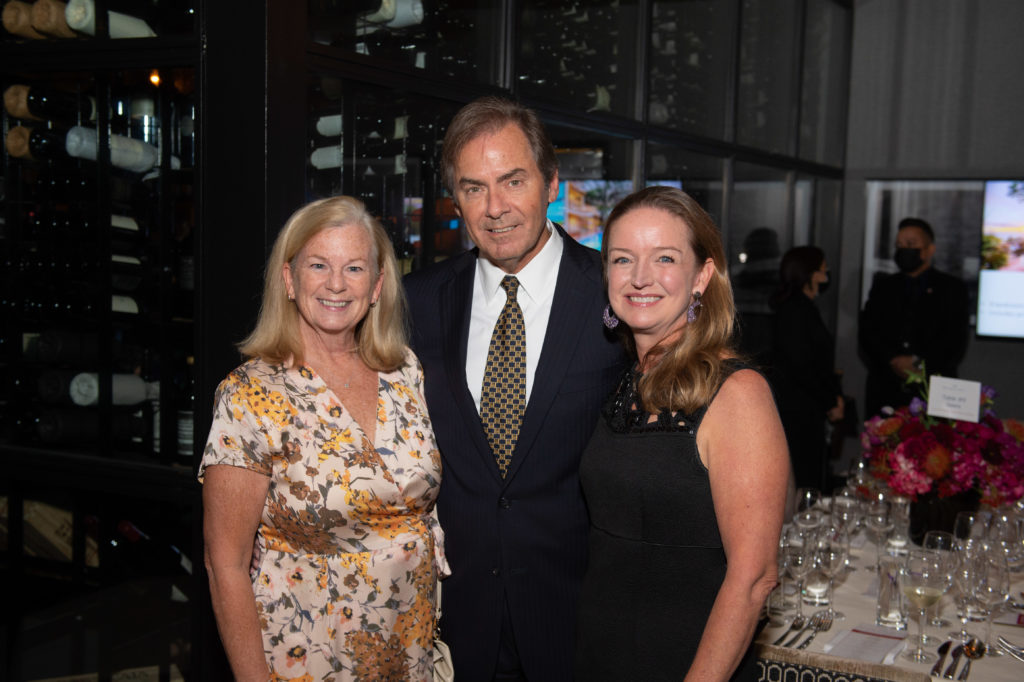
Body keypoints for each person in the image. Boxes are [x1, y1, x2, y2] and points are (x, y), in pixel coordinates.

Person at [403, 96, 626, 681]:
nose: (495, 207)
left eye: (513, 180)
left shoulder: (616, 297)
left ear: (551, 182)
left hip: (577, 620)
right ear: (457, 200)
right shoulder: (417, 302)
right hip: (453, 624)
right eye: (474, 188)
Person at [200, 196, 448, 681]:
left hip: (410, 652)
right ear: (290, 279)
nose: (336, 284)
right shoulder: (250, 394)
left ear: (377, 286)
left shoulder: (404, 371)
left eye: (354, 268)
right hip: (307, 655)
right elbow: (224, 564)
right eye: (319, 265)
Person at [575, 186, 789, 681]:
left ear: (702, 276)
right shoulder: (628, 382)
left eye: (664, 258)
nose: (641, 277)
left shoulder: (738, 394)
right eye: (623, 259)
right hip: (599, 658)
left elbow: (755, 577)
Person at [859, 217, 970, 416]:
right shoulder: (883, 287)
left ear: (929, 250)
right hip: (886, 389)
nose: (903, 250)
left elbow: (954, 341)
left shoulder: (952, 289)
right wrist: (894, 360)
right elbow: (868, 333)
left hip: (934, 391)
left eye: (911, 244)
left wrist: (918, 363)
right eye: (899, 245)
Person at [769, 246, 844, 491]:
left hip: (807, 406)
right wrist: (830, 401)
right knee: (802, 479)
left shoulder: (804, 307)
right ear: (810, 274)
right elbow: (802, 366)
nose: (826, 276)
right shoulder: (793, 310)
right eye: (823, 270)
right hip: (798, 411)